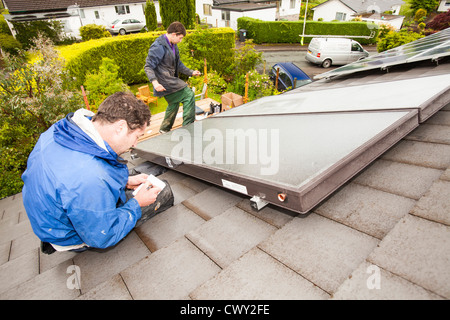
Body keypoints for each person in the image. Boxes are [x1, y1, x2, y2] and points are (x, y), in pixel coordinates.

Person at [22, 92, 174, 254]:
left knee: (134, 176)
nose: (135, 144)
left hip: (53, 217)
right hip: (71, 235)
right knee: (163, 191)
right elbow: (102, 236)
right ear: (120, 127)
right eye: (137, 136)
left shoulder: (67, 128)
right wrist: (137, 203)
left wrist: (126, 181)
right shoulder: (89, 175)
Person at [144, 21, 201, 133]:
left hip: (169, 80)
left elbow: (178, 64)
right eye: (180, 38)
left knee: (173, 104)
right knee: (188, 95)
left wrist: (191, 72)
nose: (180, 41)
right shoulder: (158, 46)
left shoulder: (173, 45)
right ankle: (188, 128)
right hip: (164, 82)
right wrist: (155, 83)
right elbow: (148, 66)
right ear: (174, 34)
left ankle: (164, 129)